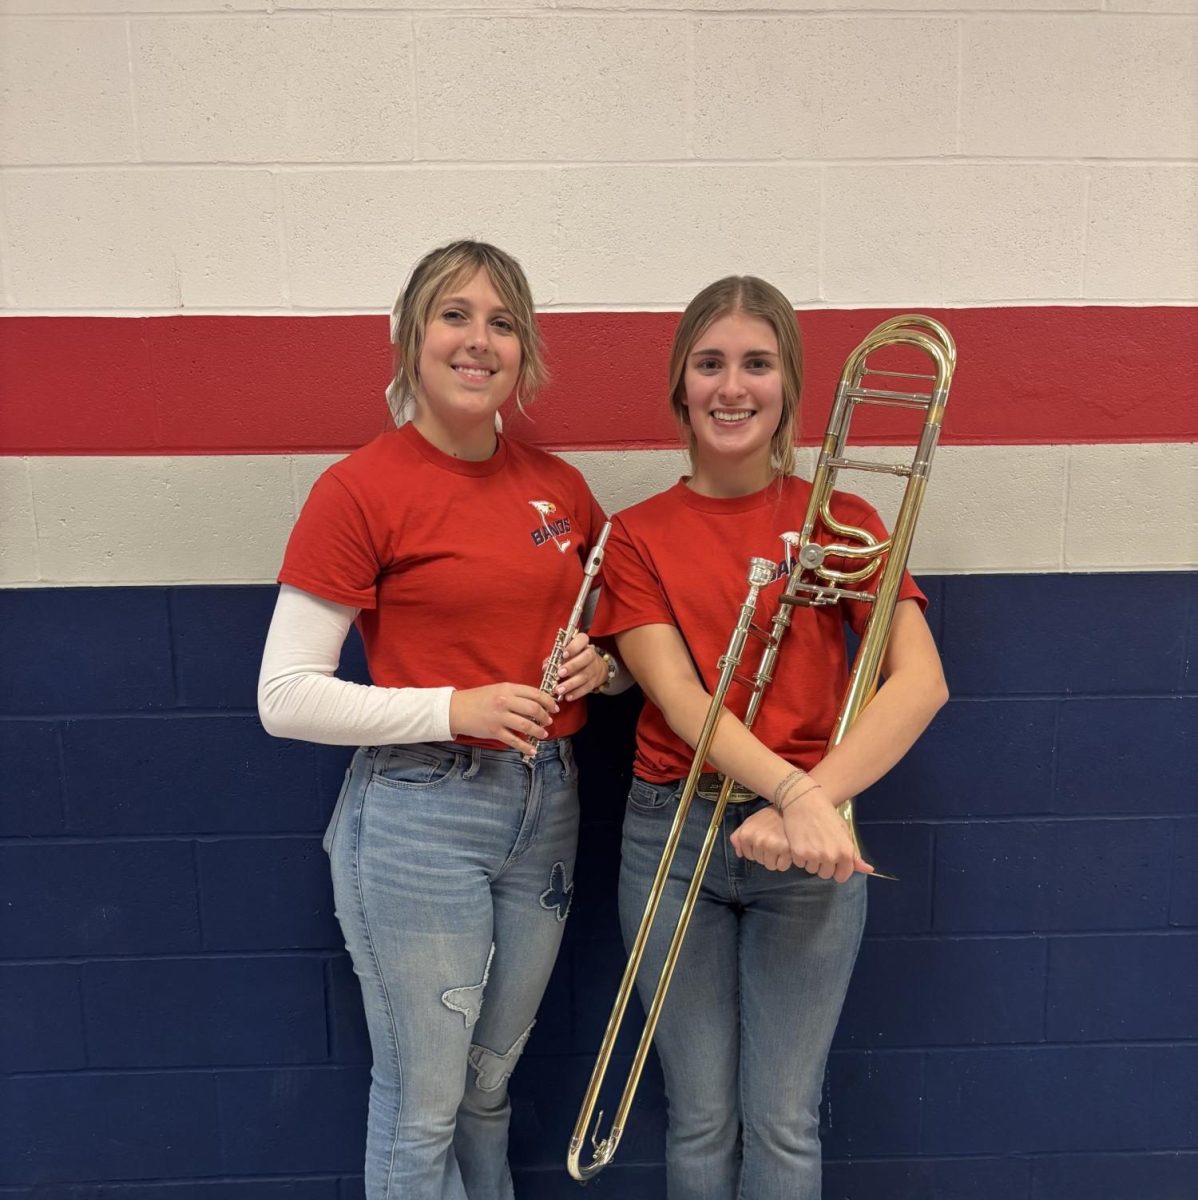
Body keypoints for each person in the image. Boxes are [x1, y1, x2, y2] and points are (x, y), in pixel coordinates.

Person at [258, 240, 620, 1200]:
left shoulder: (563, 488)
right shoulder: (359, 487)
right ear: (411, 337)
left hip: (547, 806)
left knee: (486, 1090)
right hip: (420, 815)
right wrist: (453, 708)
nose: (478, 340)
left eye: (502, 322)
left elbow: (605, 650)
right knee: (422, 1105)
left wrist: (607, 665)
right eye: (454, 315)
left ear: (525, 351)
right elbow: (284, 696)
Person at [589, 276, 949, 1199]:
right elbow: (679, 700)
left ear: (790, 384)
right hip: (671, 839)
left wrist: (809, 800)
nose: (732, 387)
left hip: (811, 846)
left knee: (784, 1123)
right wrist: (792, 793)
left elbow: (922, 684)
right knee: (701, 1119)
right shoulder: (634, 537)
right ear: (680, 386)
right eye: (709, 364)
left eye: (758, 363)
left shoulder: (846, 520)